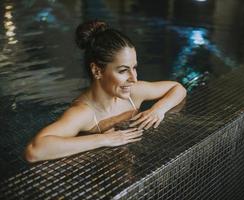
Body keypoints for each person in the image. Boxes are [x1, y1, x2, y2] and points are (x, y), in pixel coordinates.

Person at [25, 20, 187, 163]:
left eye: (134, 68)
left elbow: (178, 88)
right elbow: (35, 151)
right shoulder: (84, 113)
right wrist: (103, 139)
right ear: (97, 71)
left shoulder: (133, 93)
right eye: (123, 70)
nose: (134, 79)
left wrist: (158, 110)